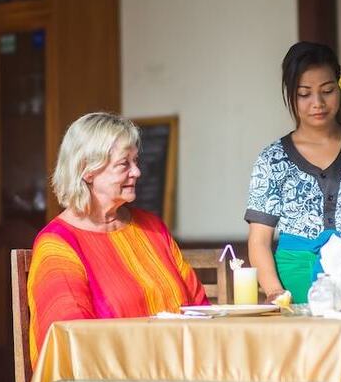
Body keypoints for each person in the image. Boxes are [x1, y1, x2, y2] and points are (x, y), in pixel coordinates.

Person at [27, 112, 208, 366]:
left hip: (180, 374)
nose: (137, 172)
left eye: (136, 161)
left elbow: (199, 306)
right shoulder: (59, 245)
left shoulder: (152, 228)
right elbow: (70, 343)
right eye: (124, 164)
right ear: (87, 171)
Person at [245, 41, 341, 305]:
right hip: (292, 281)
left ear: (340, 86)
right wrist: (274, 291)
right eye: (304, 94)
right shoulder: (271, 159)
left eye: (327, 90)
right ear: (290, 95)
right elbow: (259, 240)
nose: (317, 103)